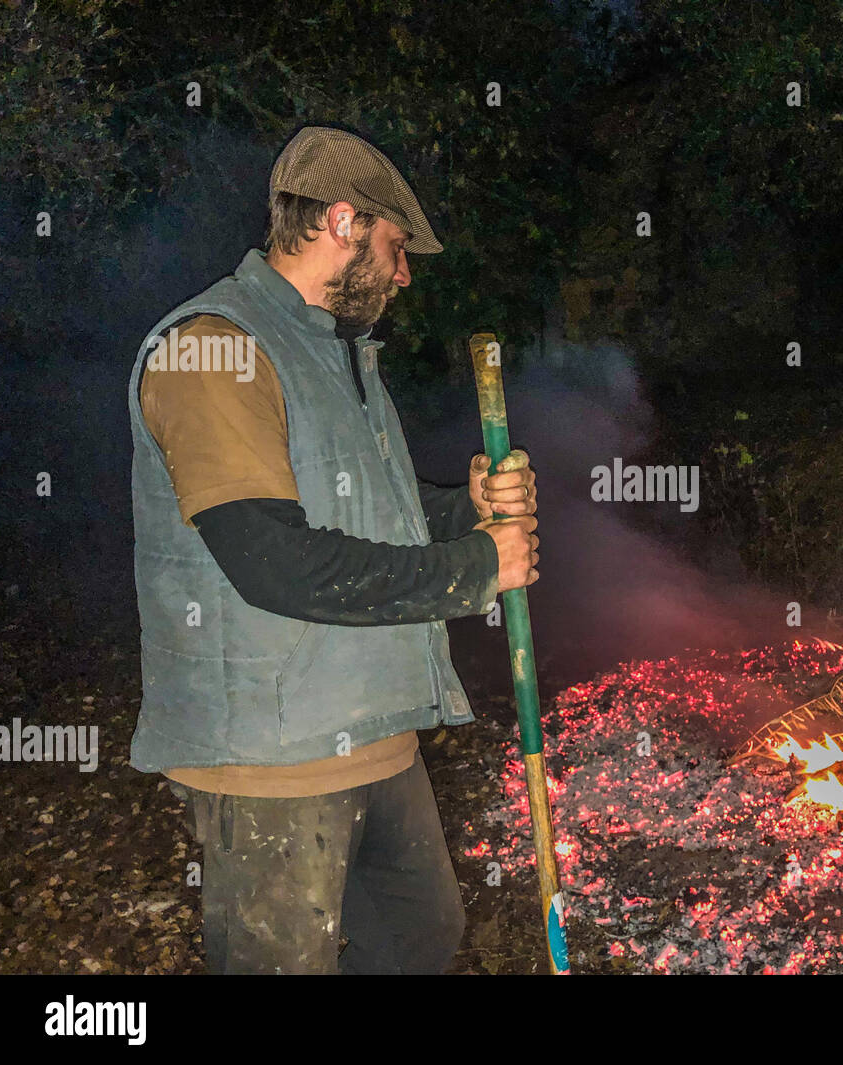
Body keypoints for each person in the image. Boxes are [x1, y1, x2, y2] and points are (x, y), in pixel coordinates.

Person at [125, 125, 539, 974]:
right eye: (395, 247)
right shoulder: (216, 350)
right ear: (343, 222)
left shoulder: (337, 351)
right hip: (272, 759)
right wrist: (475, 570)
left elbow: (378, 519)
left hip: (372, 728)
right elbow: (274, 560)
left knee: (418, 941)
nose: (404, 273)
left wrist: (466, 511)